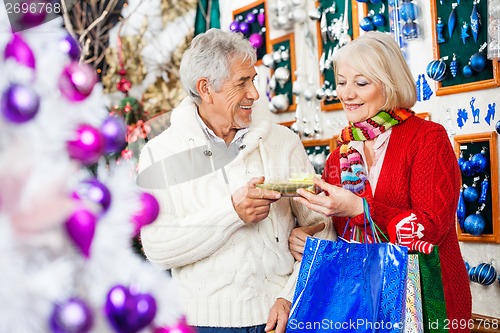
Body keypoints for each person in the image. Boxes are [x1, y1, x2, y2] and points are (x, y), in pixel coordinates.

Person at [136, 28, 332, 333]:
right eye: (242, 82)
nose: (254, 93)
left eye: (253, 79)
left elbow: (323, 227)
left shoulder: (283, 143)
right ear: (206, 88)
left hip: (282, 317)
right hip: (203, 325)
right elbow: (158, 250)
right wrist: (232, 213)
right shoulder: (160, 154)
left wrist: (290, 295)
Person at [289, 31, 471, 332]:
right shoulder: (340, 154)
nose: (347, 94)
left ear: (390, 84)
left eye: (361, 83)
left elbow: (433, 227)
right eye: (342, 81)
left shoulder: (427, 138)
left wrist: (361, 209)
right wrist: (312, 243)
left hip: (427, 302)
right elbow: (347, 239)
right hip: (367, 306)